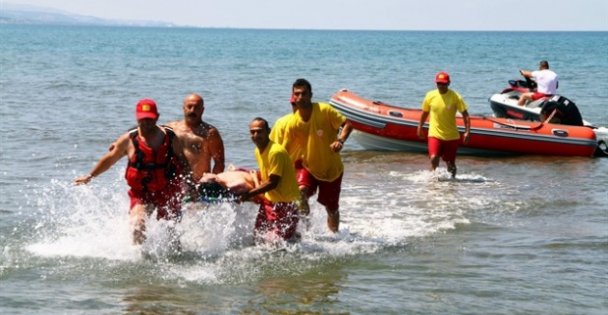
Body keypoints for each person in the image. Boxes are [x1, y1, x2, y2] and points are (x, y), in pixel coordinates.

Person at [74, 99, 191, 245]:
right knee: (137, 225)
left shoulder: (170, 137)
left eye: (149, 119)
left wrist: (190, 185)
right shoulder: (128, 140)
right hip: (142, 193)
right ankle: (139, 258)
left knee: (171, 233)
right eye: (143, 119)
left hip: (168, 190)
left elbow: (183, 161)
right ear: (137, 117)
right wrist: (90, 175)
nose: (146, 122)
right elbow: (110, 159)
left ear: (157, 117)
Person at [278, 78, 353, 233]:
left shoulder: (324, 110)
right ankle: (306, 231)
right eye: (296, 94)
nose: (300, 97)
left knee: (331, 209)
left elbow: (348, 124)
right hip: (308, 167)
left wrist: (340, 140)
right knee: (300, 193)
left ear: (311, 95)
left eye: (304, 93)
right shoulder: (293, 123)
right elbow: (284, 151)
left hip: (331, 170)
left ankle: (335, 237)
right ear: (293, 97)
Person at [240, 117, 301, 242]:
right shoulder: (258, 150)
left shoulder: (275, 152)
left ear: (269, 131)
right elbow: (266, 176)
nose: (256, 135)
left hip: (286, 204)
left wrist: (250, 194)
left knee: (280, 244)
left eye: (259, 131)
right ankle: (295, 235)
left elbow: (273, 182)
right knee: (258, 238)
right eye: (252, 132)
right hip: (269, 201)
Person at [417, 71, 471, 178]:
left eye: (443, 83)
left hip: (451, 136)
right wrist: (420, 126)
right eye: (438, 83)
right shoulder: (430, 95)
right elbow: (425, 112)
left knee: (450, 164)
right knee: (434, 158)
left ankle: (452, 184)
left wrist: (467, 132)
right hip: (434, 134)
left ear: (449, 83)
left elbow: (465, 115)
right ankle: (435, 180)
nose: (441, 86)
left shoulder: (456, 97)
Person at [166, 93, 225, 181]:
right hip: (174, 184)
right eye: (189, 106)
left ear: (202, 110)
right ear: (183, 108)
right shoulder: (171, 129)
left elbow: (219, 162)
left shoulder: (209, 133)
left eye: (196, 107)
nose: (192, 110)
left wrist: (210, 181)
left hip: (199, 184)